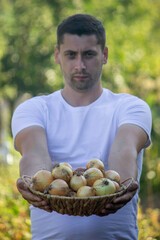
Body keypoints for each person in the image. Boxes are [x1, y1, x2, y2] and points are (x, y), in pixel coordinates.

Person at [11, 14, 152, 240]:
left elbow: (124, 150)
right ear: (57, 55)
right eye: (70, 55)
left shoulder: (130, 106)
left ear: (104, 55)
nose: (80, 65)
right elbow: (33, 152)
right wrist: (32, 181)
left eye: (88, 54)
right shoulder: (34, 109)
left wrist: (119, 187)